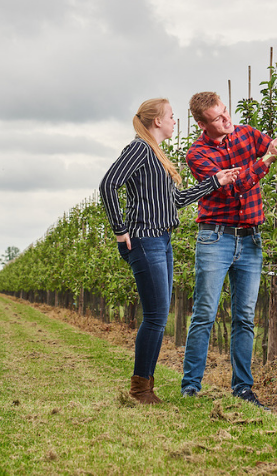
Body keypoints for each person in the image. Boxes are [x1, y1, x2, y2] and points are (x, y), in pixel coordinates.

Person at [100, 98, 240, 405]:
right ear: (157, 122)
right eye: (172, 117)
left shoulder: (155, 154)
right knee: (155, 316)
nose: (176, 122)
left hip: (161, 240)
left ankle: (144, 386)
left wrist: (214, 182)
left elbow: (175, 200)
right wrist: (119, 229)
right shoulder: (138, 148)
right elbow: (108, 184)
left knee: (158, 315)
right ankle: (140, 389)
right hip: (144, 239)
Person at [180, 91, 277, 407]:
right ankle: (191, 387)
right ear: (203, 123)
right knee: (205, 312)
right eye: (218, 118)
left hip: (251, 239)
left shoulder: (247, 134)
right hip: (215, 239)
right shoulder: (197, 154)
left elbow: (273, 149)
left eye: (226, 111)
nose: (227, 119)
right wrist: (263, 161)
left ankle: (242, 389)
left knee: (244, 317)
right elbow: (237, 185)